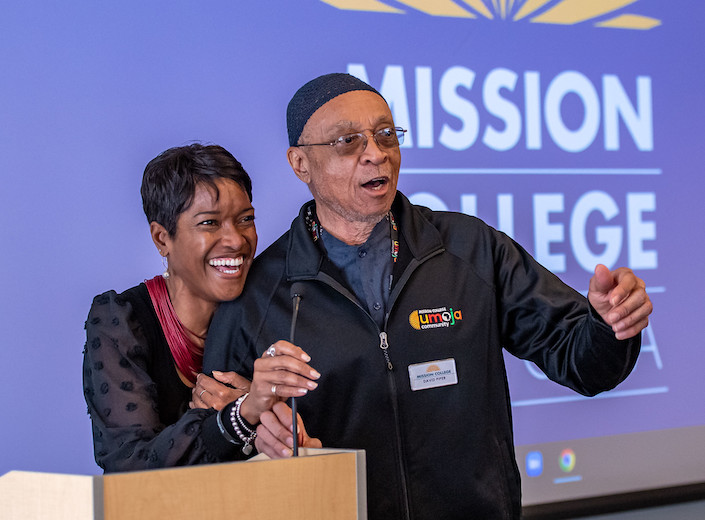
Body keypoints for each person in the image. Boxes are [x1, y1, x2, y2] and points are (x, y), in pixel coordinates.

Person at [203, 74, 653, 519]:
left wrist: (609, 326)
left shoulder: (470, 249)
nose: (375, 154)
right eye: (348, 142)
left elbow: (581, 362)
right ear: (300, 163)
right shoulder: (259, 292)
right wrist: (254, 433)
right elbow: (217, 441)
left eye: (385, 135)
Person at [82, 143, 318, 472]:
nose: (236, 240)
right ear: (162, 238)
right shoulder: (120, 320)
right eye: (209, 223)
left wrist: (276, 421)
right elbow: (129, 464)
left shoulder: (278, 307)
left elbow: (313, 441)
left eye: (245, 219)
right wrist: (241, 417)